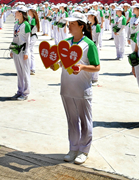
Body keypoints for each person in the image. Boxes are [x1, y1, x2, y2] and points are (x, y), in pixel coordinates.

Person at [58, 12, 100, 165]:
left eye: (72, 24)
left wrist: (82, 67)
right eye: (68, 24)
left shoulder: (89, 44)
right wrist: (55, 64)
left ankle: (84, 150)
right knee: (72, 120)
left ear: (81, 26)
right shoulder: (65, 42)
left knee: (84, 120)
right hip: (67, 88)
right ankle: (73, 148)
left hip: (82, 89)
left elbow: (97, 67)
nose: (69, 26)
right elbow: (60, 63)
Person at [10, 5, 31, 100]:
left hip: (23, 51)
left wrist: (27, 52)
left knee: (25, 72)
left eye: (16, 12)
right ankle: (20, 91)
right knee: (19, 72)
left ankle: (25, 93)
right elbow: (14, 38)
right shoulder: (16, 24)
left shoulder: (26, 24)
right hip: (16, 50)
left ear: (21, 13)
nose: (15, 14)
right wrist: (11, 49)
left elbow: (28, 39)